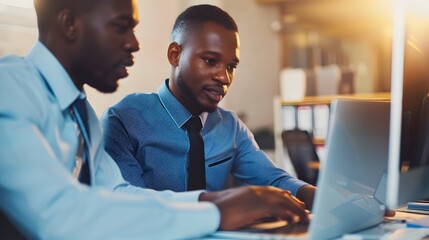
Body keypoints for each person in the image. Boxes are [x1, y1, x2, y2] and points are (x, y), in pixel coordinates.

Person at [0, 0, 312, 239]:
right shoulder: (9, 87)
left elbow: (119, 194)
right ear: (70, 25)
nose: (135, 43)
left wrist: (214, 200)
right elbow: (60, 216)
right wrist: (216, 211)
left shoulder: (81, 113)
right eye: (122, 27)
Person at [101, 4, 316, 209]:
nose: (224, 77)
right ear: (175, 55)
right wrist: (222, 206)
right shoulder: (123, 121)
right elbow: (128, 203)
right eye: (211, 61)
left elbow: (273, 179)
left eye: (231, 66)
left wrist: (318, 195)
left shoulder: (230, 127)